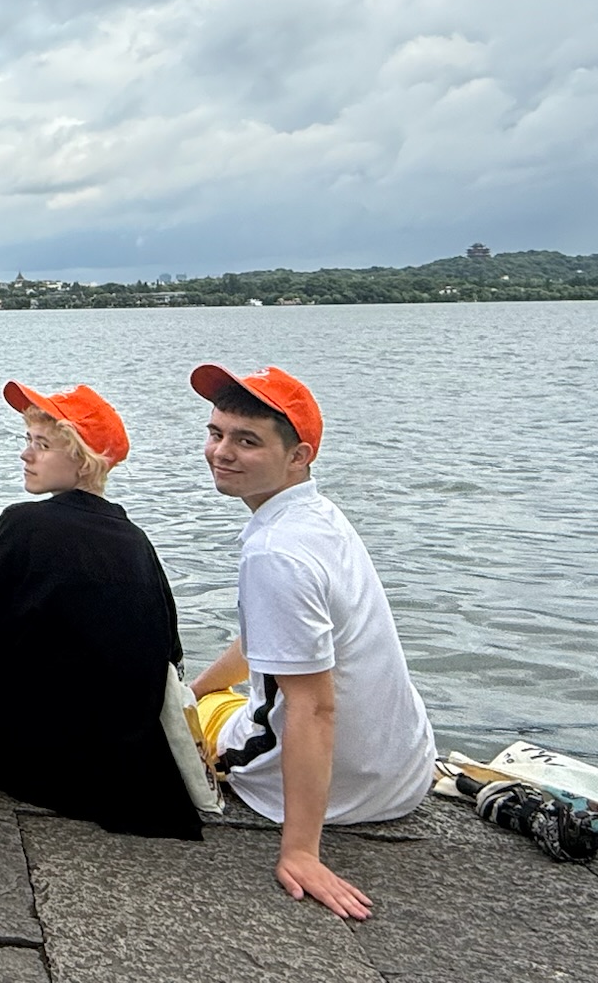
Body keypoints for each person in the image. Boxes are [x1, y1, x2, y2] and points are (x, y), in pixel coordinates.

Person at [187, 364, 435, 921]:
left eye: (246, 441)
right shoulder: (320, 519)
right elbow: (270, 642)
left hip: (340, 793)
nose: (221, 452)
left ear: (298, 456)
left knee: (169, 724)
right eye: (215, 433)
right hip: (405, 772)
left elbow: (314, 707)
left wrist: (301, 851)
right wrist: (195, 689)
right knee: (198, 698)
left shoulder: (276, 552)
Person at [0, 381, 201, 839]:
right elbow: (168, 654)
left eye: (42, 445)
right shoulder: (137, 541)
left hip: (39, 756)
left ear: (82, 460)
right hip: (129, 767)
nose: (26, 454)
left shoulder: (23, 524)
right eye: (27, 441)